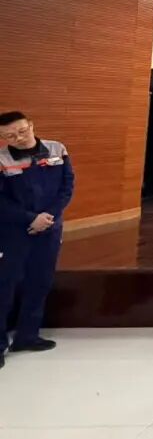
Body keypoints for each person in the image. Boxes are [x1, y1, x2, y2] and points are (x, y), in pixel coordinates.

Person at [0, 111, 74, 369]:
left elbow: (67, 187)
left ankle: (27, 336)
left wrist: (48, 217)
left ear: (31, 125)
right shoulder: (2, 159)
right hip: (14, 231)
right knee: (5, 287)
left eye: (22, 131)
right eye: (9, 136)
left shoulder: (57, 149)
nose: (18, 138)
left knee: (40, 282)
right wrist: (30, 219)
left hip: (49, 229)